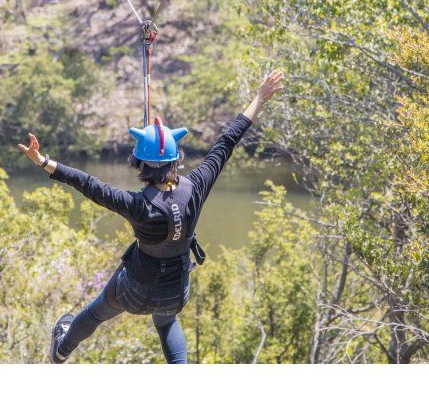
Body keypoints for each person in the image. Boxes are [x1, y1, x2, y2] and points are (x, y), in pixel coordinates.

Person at [18, 70, 284, 364]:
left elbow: (88, 183)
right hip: (175, 291)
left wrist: (43, 161)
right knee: (167, 322)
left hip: (135, 290)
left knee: (95, 312)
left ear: (139, 163)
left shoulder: (136, 205)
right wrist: (259, 98)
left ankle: (61, 351)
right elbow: (227, 142)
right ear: (176, 159)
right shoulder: (196, 186)